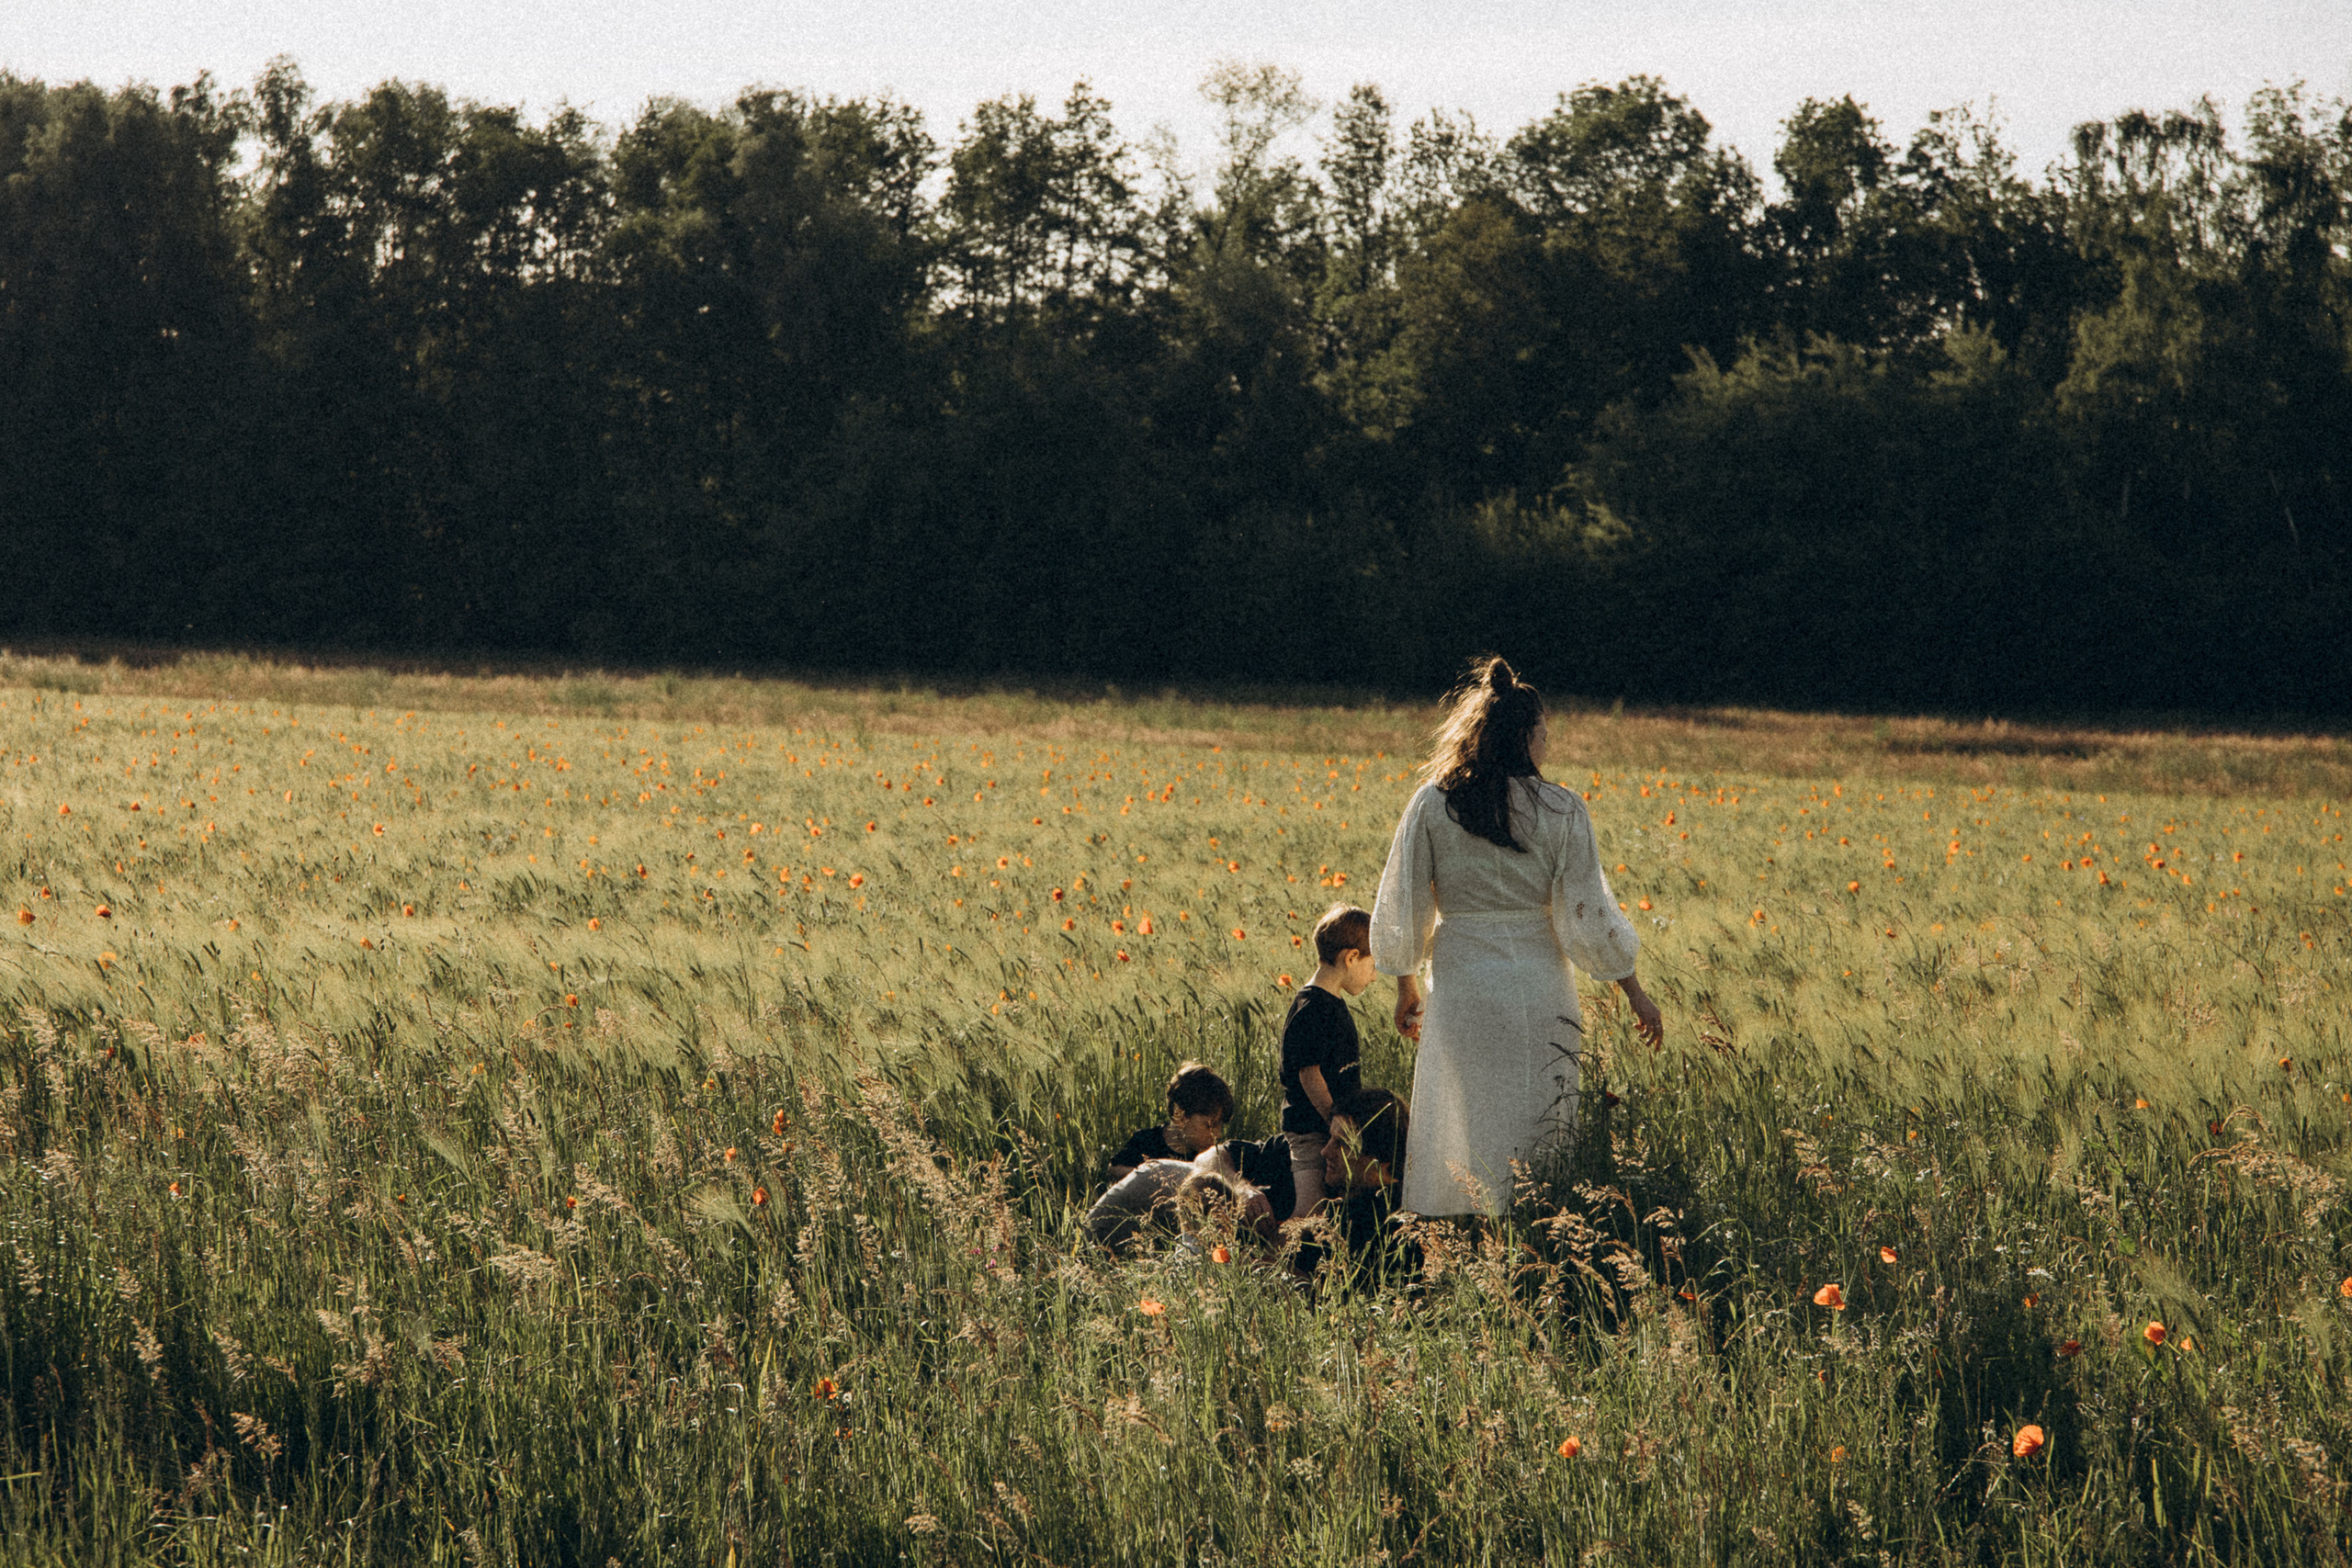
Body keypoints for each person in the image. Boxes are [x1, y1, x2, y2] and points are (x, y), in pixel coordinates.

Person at [1369, 655, 1665, 1217]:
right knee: (1538, 1121)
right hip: (1540, 986)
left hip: (1463, 985)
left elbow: (1405, 902)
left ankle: (1459, 1241)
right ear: (1527, 734)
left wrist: (1406, 986)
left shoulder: (1434, 803)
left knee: (1465, 1122)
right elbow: (1588, 914)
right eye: (1544, 731)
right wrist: (1635, 992)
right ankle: (1536, 1234)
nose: (1547, 741)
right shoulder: (1563, 809)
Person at [1279, 905, 1374, 1219]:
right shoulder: (1312, 1007)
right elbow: (1310, 1075)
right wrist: (1335, 1122)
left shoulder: (1331, 1003)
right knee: (1311, 1210)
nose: (1375, 977)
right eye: (1373, 965)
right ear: (1351, 958)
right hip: (1311, 1130)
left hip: (1332, 1127)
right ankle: (1274, 1249)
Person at [1085, 1126, 1296, 1251]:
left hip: (1238, 1251)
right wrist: (1242, 1189)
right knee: (1158, 1175)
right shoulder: (1295, 1145)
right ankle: (1081, 1255)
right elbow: (1210, 1156)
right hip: (1208, 1216)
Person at [1107, 1060, 1234, 1179]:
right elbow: (1114, 1168)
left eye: (1220, 1126)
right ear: (1180, 1117)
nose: (1218, 1134)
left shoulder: (1210, 1157)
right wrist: (1151, 1177)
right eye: (1210, 1125)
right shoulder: (1148, 1141)